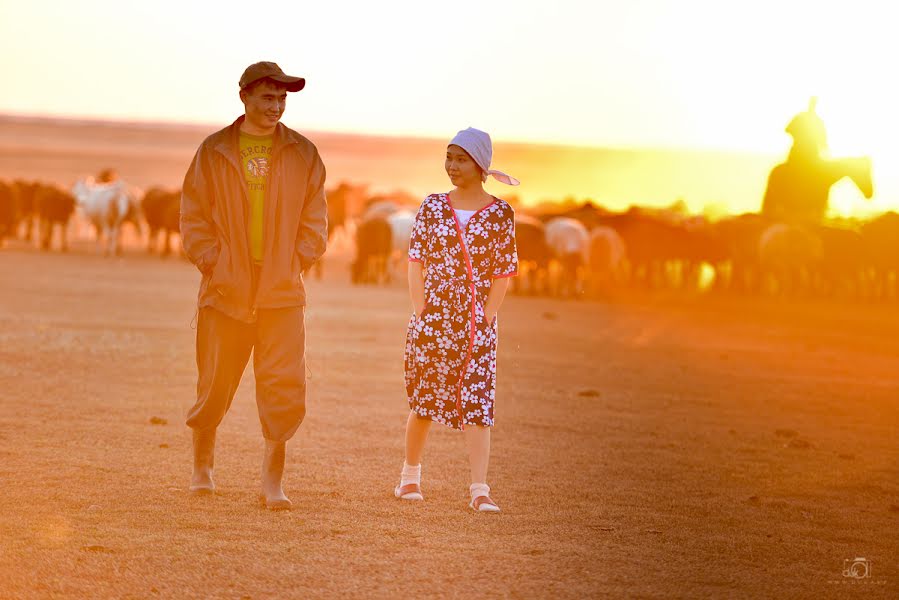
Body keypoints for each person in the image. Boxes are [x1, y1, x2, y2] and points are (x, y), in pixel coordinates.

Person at [179, 61, 328, 510]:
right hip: (227, 288)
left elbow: (316, 218)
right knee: (216, 381)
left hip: (281, 289)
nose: (276, 107)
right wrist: (214, 263)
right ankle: (202, 467)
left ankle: (272, 481)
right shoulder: (215, 150)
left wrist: (296, 260)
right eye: (268, 97)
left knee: (283, 383)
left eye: (282, 99)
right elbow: (193, 214)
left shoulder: (304, 153)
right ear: (244, 96)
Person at [397, 127, 519, 512]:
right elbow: (416, 260)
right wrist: (421, 310)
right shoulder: (432, 206)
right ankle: (408, 479)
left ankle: (479, 489)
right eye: (449, 157)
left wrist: (487, 314)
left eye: (461, 159)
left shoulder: (501, 213)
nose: (452, 166)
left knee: (477, 403)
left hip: (477, 325)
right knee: (425, 401)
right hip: (434, 317)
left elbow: (504, 270)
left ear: (480, 164)